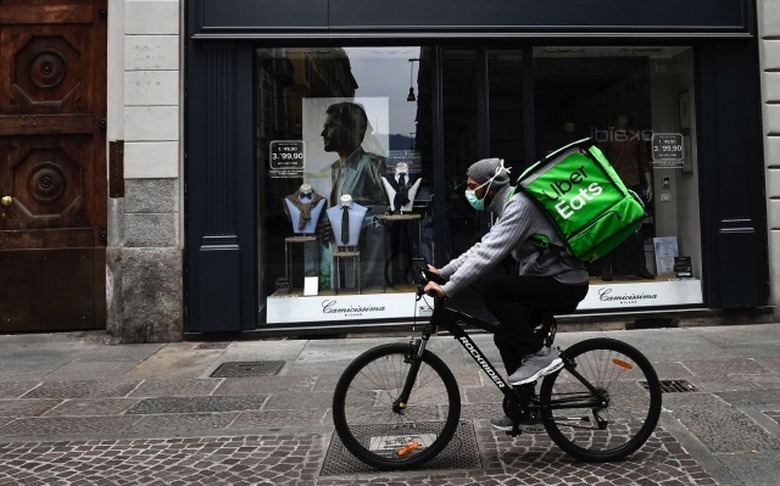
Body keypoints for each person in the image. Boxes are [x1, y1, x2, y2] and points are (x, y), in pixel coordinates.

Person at [423, 157, 590, 431]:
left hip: (563, 283)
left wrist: (448, 289)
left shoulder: (520, 206)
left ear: (490, 186)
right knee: (504, 335)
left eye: (472, 186)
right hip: (549, 281)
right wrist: (443, 272)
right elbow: (482, 247)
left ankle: (539, 354)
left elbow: (488, 256)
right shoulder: (509, 206)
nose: (468, 192)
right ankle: (523, 406)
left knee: (492, 289)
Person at [321, 101, 387, 288]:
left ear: (352, 130)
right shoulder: (335, 169)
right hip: (341, 258)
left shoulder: (372, 164)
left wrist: (343, 224)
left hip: (366, 263)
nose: (323, 133)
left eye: (330, 126)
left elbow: (388, 214)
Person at [599, 114, 654, 280]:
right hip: (613, 186)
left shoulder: (636, 136)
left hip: (633, 184)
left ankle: (640, 266)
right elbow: (600, 161)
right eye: (621, 116)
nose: (623, 118)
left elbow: (644, 161)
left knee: (637, 227)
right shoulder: (608, 136)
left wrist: (649, 185)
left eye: (626, 116)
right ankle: (606, 267)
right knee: (610, 225)